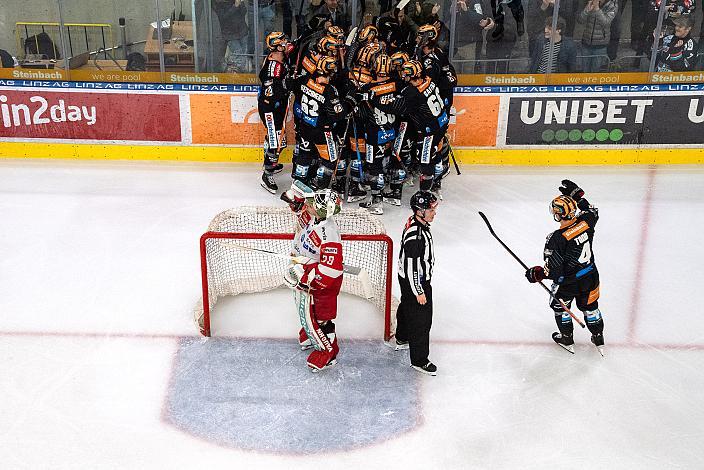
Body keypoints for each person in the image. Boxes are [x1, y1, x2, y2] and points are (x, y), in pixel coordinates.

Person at [525, 180, 605, 355]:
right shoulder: (586, 222)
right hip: (591, 276)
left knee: (560, 307)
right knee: (591, 307)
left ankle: (567, 338)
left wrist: (537, 273)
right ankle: (598, 336)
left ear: (558, 214)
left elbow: (554, 271)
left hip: (569, 283)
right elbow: (592, 211)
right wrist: (578, 197)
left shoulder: (556, 239)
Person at [282, 185, 344, 372]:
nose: (309, 204)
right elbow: (300, 209)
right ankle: (311, 334)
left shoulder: (329, 234)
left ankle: (328, 353)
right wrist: (294, 200)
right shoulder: (313, 217)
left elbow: (331, 270)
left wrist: (309, 280)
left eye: (313, 204)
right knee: (304, 310)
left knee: (321, 317)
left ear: (322, 210)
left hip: (322, 284)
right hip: (305, 272)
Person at [387, 190, 439, 376]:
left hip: (406, 279)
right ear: (420, 211)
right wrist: (419, 290)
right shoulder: (416, 236)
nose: (434, 212)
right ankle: (419, 360)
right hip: (415, 281)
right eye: (431, 209)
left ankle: (402, 337)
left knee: (407, 306)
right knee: (422, 320)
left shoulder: (416, 222)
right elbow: (412, 265)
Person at [258, 32, 293, 193]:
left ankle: (270, 161)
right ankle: (267, 173)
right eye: (283, 41)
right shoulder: (274, 67)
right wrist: (289, 87)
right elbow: (272, 93)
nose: (286, 43)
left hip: (275, 107)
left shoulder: (278, 58)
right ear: (277, 46)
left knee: (278, 140)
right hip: (271, 109)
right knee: (276, 142)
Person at [576, 0, 617, 73]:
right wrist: (587, 10)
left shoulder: (612, 5)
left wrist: (597, 9)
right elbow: (580, 20)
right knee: (585, 70)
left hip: (600, 45)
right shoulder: (589, 2)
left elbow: (606, 23)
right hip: (586, 42)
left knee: (595, 71)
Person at [213, 0, 251, 72]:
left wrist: (241, 3)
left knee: (244, 53)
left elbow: (243, 12)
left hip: (242, 31)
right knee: (238, 52)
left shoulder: (235, 1)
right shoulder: (218, 3)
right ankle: (239, 73)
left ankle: (241, 72)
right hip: (229, 34)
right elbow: (223, 17)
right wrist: (235, 6)